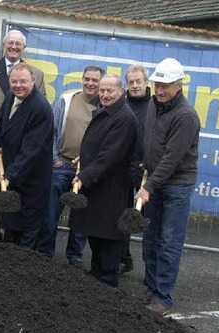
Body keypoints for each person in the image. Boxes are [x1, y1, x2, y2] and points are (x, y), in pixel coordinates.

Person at [135, 58, 200, 315]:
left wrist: (149, 187)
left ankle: (163, 298)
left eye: (165, 86)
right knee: (150, 238)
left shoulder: (186, 116)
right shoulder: (154, 104)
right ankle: (152, 289)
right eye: (157, 84)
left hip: (176, 186)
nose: (160, 90)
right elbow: (152, 141)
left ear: (179, 85)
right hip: (156, 180)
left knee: (169, 241)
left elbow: (172, 159)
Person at [0, 29, 46, 242]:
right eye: (10, 43)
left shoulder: (36, 73)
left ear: (24, 48)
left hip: (22, 146)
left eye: (18, 44)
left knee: (13, 187)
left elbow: (38, 107)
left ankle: (10, 239)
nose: (14, 47)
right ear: (4, 45)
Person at [69, 73, 137, 287]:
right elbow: (100, 146)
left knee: (108, 238)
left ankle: (107, 284)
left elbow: (111, 156)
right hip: (97, 186)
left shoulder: (124, 118)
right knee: (96, 236)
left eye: (110, 91)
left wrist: (83, 177)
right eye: (102, 90)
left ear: (121, 92)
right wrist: (85, 158)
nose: (105, 95)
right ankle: (97, 279)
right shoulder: (105, 111)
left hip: (110, 190)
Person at [36, 65, 105, 266]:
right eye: (87, 79)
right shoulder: (68, 100)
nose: (90, 83)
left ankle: (74, 256)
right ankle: (45, 252)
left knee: (81, 216)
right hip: (62, 166)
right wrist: (55, 159)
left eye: (95, 80)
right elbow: (53, 130)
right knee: (50, 213)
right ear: (82, 79)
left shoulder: (105, 105)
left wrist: (90, 166)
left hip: (86, 172)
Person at [0, 63, 53, 248]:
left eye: (23, 81)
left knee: (28, 227)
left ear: (33, 81)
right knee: (12, 223)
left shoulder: (41, 108)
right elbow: (2, 123)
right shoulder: (11, 96)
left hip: (32, 178)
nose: (18, 85)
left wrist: (10, 175)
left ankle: (26, 263)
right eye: (14, 81)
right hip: (13, 171)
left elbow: (31, 150)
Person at [119, 64, 153, 274]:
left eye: (138, 81)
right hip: (123, 169)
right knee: (122, 216)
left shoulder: (155, 106)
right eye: (130, 82)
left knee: (149, 222)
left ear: (146, 82)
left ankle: (151, 270)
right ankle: (124, 259)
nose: (134, 86)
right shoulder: (121, 105)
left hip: (147, 172)